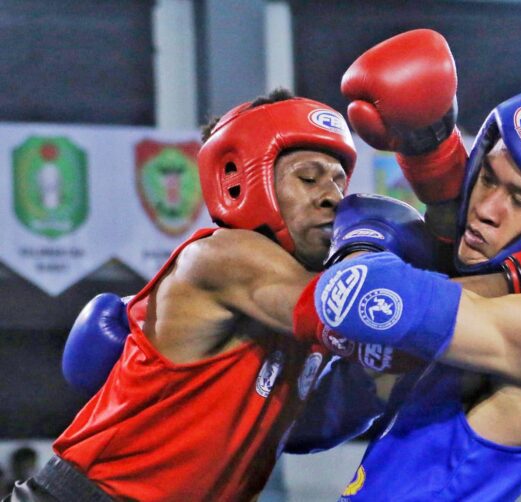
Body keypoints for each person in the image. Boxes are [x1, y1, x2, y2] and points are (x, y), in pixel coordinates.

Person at [290, 30, 521, 501]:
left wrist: (365, 234)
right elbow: (308, 428)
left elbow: (358, 294)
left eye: (520, 199)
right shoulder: (462, 323)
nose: (487, 209)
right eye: (487, 178)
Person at [5, 90, 373, 502]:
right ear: (240, 180)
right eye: (308, 178)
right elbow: (358, 310)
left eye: (338, 180)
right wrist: (386, 235)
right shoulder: (222, 256)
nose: (332, 197)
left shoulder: (300, 296)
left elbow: (312, 426)